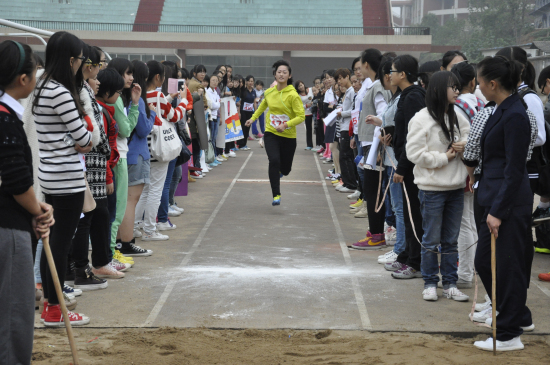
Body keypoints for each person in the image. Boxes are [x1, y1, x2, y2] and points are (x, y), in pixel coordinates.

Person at [468, 55, 535, 352]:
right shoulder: (501, 109)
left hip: (507, 203)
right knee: (485, 261)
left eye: (480, 81)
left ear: (492, 83)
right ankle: (513, 315)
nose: (478, 87)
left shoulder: (516, 114)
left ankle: (509, 333)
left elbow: (514, 168)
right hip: (493, 197)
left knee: (507, 267)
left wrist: (497, 211)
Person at [33, 31, 92, 327]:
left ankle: (50, 305)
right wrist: (83, 137)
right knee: (60, 243)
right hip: (67, 178)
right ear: (70, 59)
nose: (81, 65)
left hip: (49, 175)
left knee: (52, 241)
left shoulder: (41, 86)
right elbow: (84, 138)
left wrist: (76, 139)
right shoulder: (60, 91)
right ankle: (55, 309)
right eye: (81, 60)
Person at [0, 39, 54, 364]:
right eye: (34, 73)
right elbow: (17, 179)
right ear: (23, 80)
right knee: (14, 319)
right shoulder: (5, 118)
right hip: (8, 230)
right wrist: (39, 210)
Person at [406, 71, 470, 302]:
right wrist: (445, 158)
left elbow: (470, 139)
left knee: (451, 240)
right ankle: (431, 282)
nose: (457, 91)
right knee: (431, 239)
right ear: (438, 89)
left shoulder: (458, 115)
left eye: (457, 87)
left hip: (455, 188)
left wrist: (463, 146)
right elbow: (414, 153)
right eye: (452, 87)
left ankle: (450, 283)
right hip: (431, 189)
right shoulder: (421, 119)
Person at [136, 60, 187, 241]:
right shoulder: (157, 96)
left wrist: (170, 98)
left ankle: (136, 225)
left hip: (145, 148)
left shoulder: (140, 94)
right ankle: (150, 229)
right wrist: (183, 102)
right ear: (158, 77)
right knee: (155, 190)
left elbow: (159, 106)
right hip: (159, 149)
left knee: (144, 190)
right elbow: (174, 116)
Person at [386, 55, 426, 279]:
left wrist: (401, 168)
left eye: (392, 71)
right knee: (409, 212)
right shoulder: (406, 96)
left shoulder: (413, 97)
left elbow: (415, 136)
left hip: (410, 165)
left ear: (402, 74)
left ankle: (415, 262)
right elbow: (403, 128)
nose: (390, 75)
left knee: (413, 214)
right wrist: (391, 133)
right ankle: (406, 255)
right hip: (405, 159)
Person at [245, 60, 305, 205]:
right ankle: (276, 194)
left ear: (289, 75)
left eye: (285, 72)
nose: (281, 74)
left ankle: (280, 173)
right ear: (275, 74)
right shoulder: (269, 92)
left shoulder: (293, 95)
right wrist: (252, 119)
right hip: (271, 133)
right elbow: (262, 106)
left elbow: (301, 116)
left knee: (286, 168)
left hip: (288, 136)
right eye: (279, 72)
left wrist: (286, 125)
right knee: (274, 161)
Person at [449, 61, 485, 289]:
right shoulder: (481, 103)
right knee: (470, 221)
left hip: (463, 168)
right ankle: (470, 269)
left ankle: (464, 273)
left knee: (463, 223)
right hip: (479, 168)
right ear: (472, 82)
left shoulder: (455, 106)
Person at [352, 49, 391, 249]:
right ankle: (374, 231)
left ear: (367, 64)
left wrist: (376, 150)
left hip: (374, 146)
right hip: (370, 144)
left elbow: (383, 117)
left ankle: (377, 235)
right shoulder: (375, 86)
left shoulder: (377, 87)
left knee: (373, 189)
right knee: (371, 188)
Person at [106, 58, 142, 260]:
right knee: (117, 209)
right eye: (127, 74)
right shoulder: (117, 100)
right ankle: (109, 254)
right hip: (118, 157)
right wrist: (135, 106)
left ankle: (110, 252)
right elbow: (126, 129)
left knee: (113, 209)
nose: (132, 78)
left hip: (116, 156)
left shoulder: (117, 98)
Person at [333, 69, 357, 194]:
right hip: (343, 126)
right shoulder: (347, 92)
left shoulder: (352, 91)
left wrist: (341, 113)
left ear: (347, 77)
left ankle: (351, 183)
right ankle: (347, 182)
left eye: (341, 78)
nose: (339, 81)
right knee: (344, 156)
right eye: (337, 80)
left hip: (348, 127)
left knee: (346, 156)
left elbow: (354, 110)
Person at [238, 75, 257, 150]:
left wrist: (256, 112)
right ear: (246, 82)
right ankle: (240, 144)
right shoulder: (243, 91)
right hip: (243, 112)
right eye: (249, 81)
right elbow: (239, 102)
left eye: (252, 81)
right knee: (243, 127)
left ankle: (244, 144)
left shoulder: (253, 91)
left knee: (248, 127)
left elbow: (254, 102)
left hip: (250, 112)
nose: (250, 82)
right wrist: (239, 112)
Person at [295, 80, 314, 150]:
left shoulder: (311, 90)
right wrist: (306, 105)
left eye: (301, 85)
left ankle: (320, 145)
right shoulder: (298, 95)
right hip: (307, 113)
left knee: (318, 129)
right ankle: (309, 145)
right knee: (308, 129)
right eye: (299, 86)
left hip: (315, 112)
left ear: (303, 84)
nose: (301, 87)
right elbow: (299, 106)